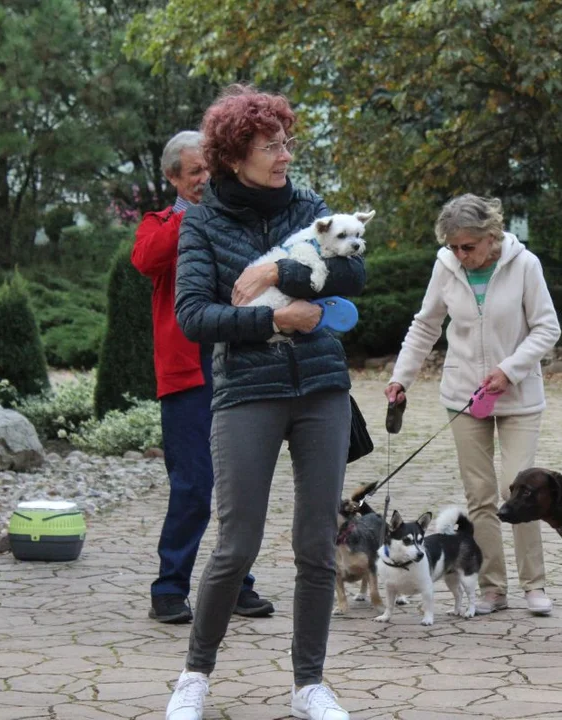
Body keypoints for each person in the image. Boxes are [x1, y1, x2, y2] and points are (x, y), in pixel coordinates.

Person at [165, 86, 364, 720]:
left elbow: (356, 274)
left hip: (322, 390)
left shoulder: (309, 206)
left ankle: (310, 684)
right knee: (236, 543)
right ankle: (195, 675)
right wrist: (276, 323)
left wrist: (279, 275)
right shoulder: (202, 218)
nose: (283, 155)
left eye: (285, 142)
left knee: (315, 543)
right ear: (234, 156)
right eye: (269, 145)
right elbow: (194, 316)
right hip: (247, 391)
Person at [385, 194, 561, 617]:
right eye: (453, 247)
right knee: (480, 496)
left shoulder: (525, 265)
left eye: (469, 247)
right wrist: (400, 377)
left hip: (518, 396)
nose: (461, 256)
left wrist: (510, 369)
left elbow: (547, 327)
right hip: (464, 395)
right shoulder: (445, 268)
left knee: (519, 490)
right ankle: (492, 588)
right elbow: (425, 326)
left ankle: (533, 585)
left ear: (492, 236)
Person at [132, 131, 274, 626]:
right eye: (195, 173)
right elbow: (145, 260)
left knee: (243, 484)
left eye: (210, 171)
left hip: (237, 367)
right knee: (193, 485)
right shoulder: (160, 223)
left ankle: (236, 585)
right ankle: (169, 589)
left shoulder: (235, 219)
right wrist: (199, 214)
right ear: (173, 178)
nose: (205, 181)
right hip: (187, 376)